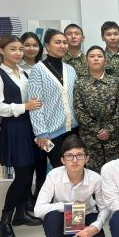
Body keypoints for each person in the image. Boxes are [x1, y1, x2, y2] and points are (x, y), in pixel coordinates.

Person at [0, 36, 43, 237]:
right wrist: (24, 107)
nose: (19, 53)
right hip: (14, 127)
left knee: (28, 175)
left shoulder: (24, 73)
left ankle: (21, 214)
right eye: (13, 49)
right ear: (2, 50)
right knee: (21, 176)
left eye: (21, 49)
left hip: (30, 126)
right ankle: (5, 221)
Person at [34, 135, 108, 237]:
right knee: (51, 217)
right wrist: (67, 206)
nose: (74, 160)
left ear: (87, 158)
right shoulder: (54, 175)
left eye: (79, 155)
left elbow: (105, 207)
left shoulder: (95, 178)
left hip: (86, 214)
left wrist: (95, 227)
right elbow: (38, 210)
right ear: (63, 160)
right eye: (69, 156)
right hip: (62, 217)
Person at [28, 29, 79, 169]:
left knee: (75, 169)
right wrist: (41, 132)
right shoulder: (38, 69)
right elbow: (35, 104)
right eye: (57, 42)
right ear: (47, 46)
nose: (62, 45)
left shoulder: (70, 69)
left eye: (64, 42)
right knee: (60, 169)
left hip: (73, 130)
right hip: (50, 133)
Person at [74, 46, 119, 172]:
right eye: (92, 56)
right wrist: (97, 129)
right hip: (91, 139)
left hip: (114, 137)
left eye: (99, 56)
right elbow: (79, 110)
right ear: (86, 60)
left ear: (105, 60)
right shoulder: (80, 83)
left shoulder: (115, 82)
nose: (96, 59)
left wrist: (109, 129)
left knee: (115, 172)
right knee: (93, 174)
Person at [19, 32, 47, 212]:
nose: (31, 49)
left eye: (35, 45)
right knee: (27, 165)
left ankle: (40, 197)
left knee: (42, 161)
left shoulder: (44, 67)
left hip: (44, 122)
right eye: (27, 45)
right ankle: (26, 199)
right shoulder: (17, 68)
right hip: (25, 122)